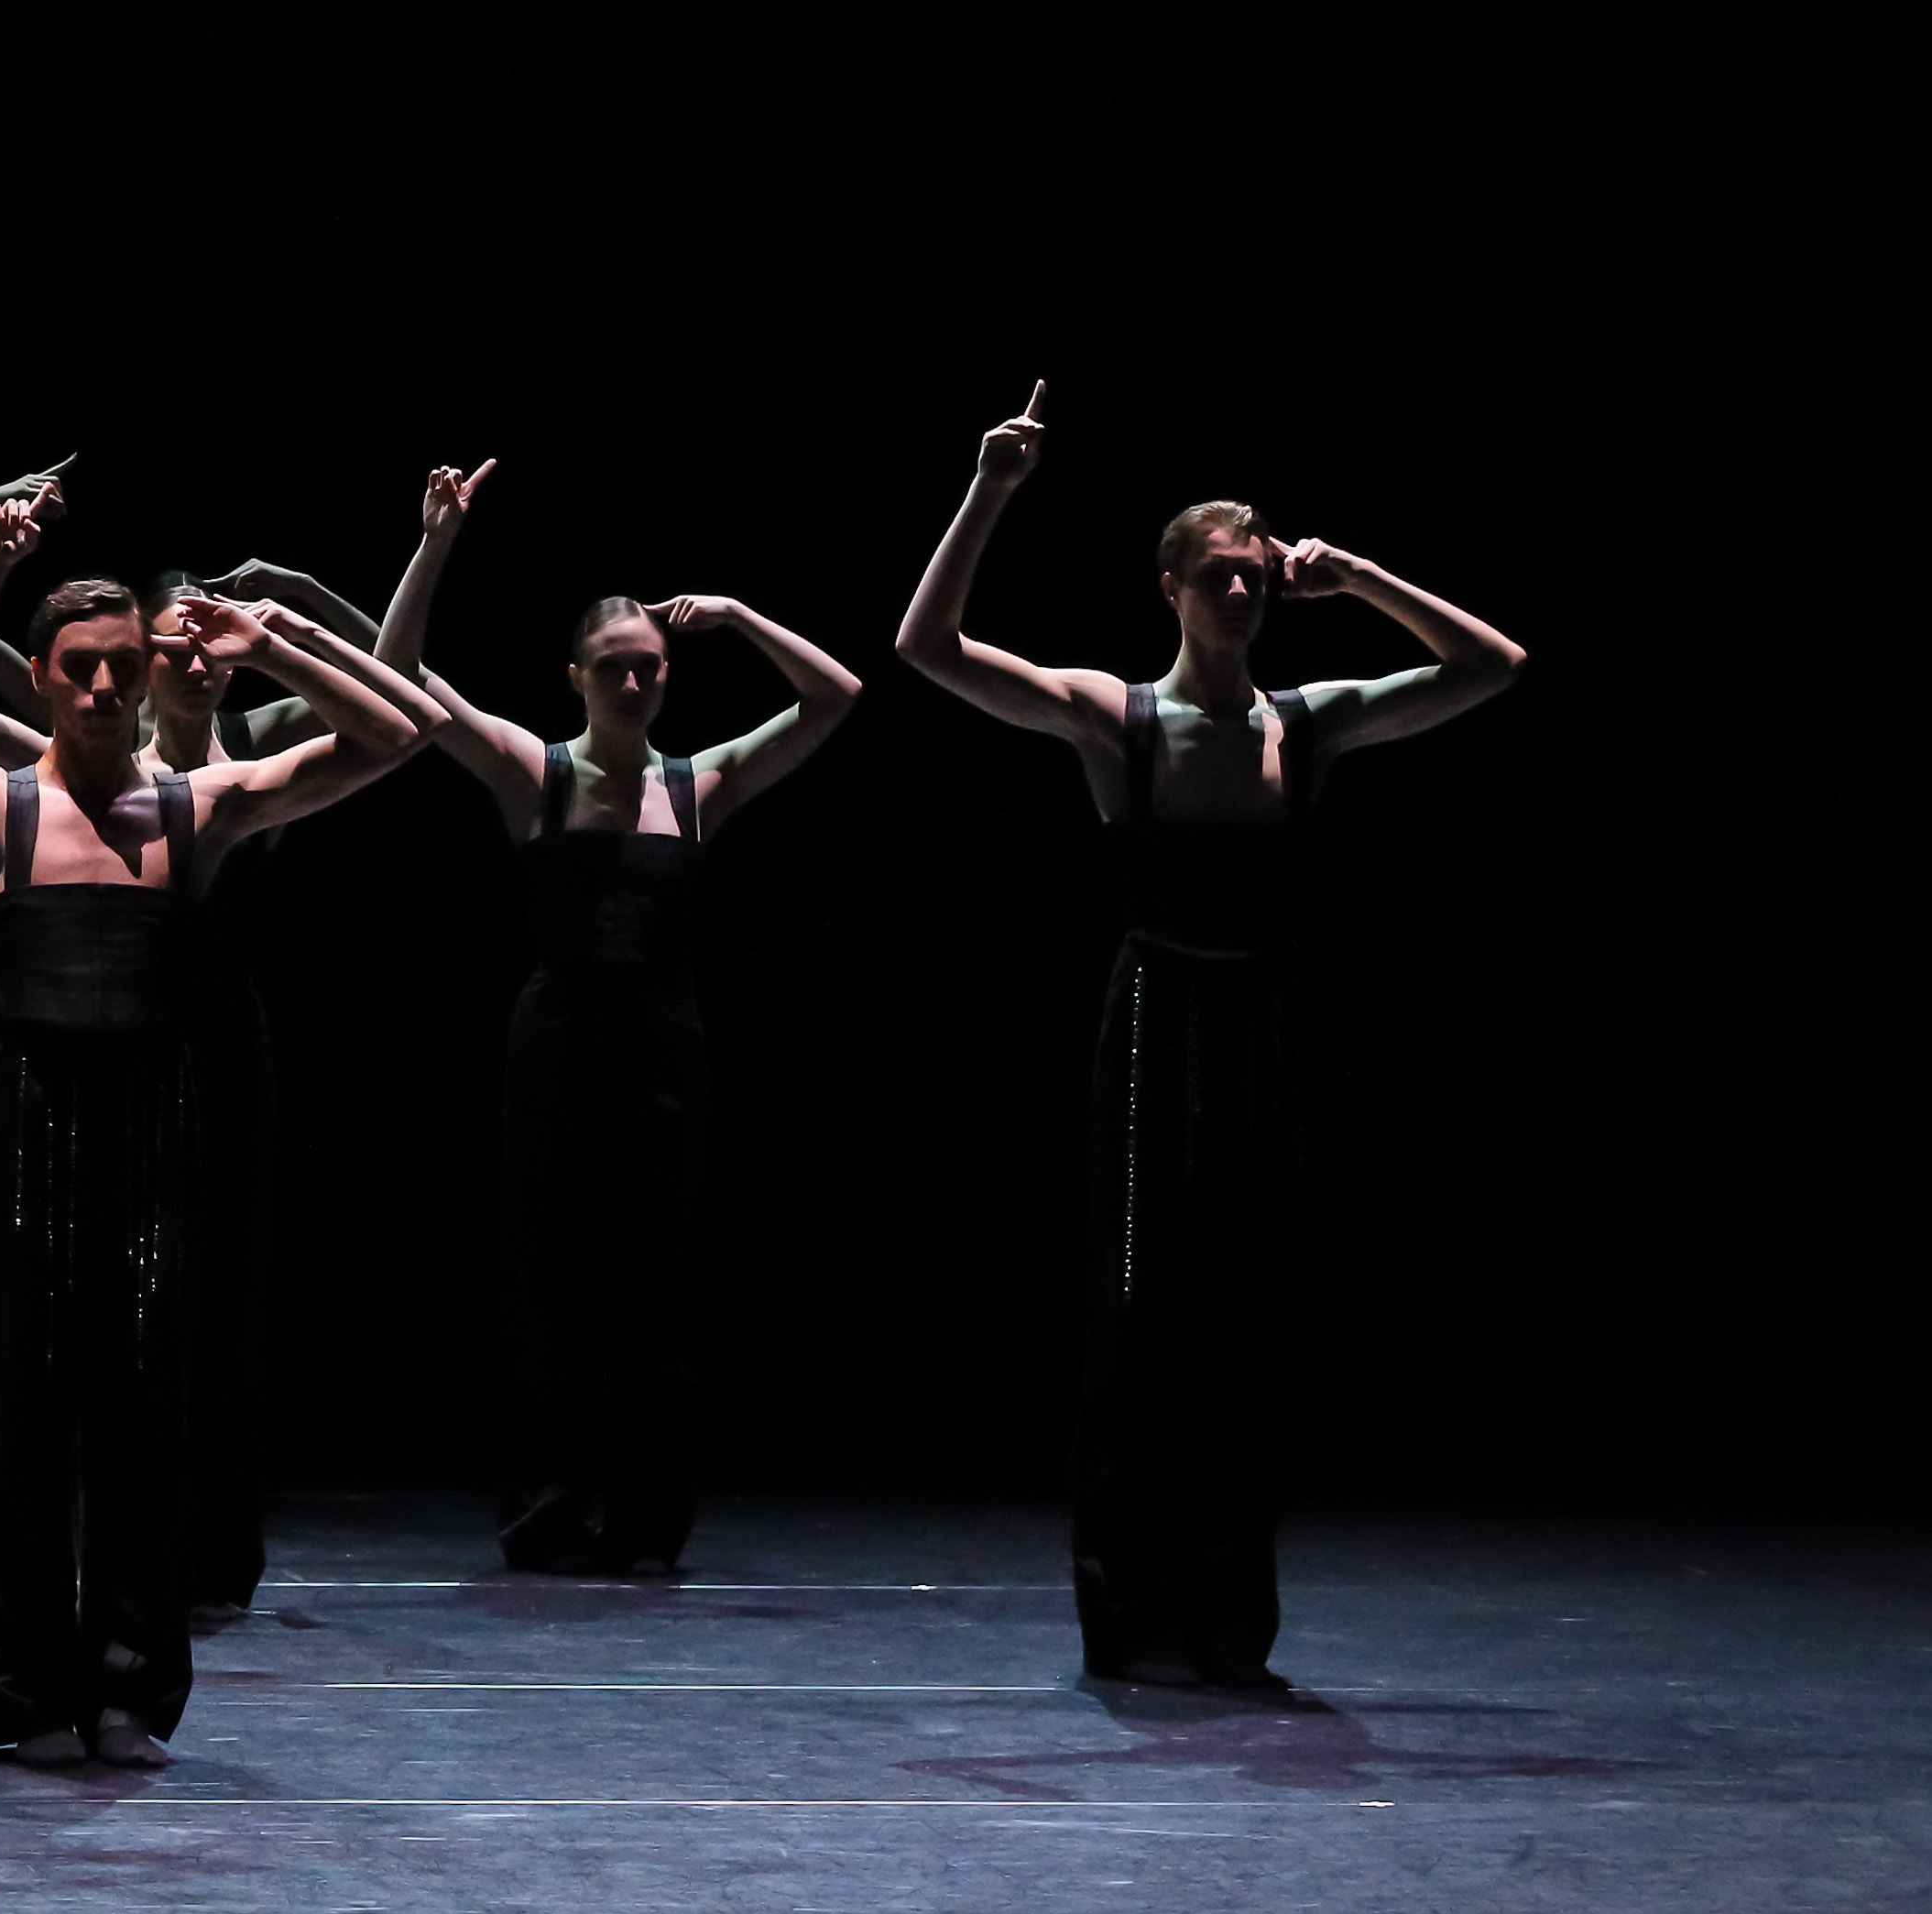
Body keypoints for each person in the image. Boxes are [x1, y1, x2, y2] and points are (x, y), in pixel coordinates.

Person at [0, 490, 435, 1767]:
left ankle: (126, 1690)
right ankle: (23, 1692)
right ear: (40, 675)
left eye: (122, 669)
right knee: (20, 1438)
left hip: (149, 1147)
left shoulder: (195, 809)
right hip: (25, 1148)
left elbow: (396, 734)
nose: (100, 690)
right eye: (78, 669)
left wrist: (265, 642)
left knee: (139, 1432)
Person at [895, 384, 1522, 1692]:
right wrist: (990, 489)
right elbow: (928, 645)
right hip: (1150, 1029)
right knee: (1135, 1316)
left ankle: (1226, 1616)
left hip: (1259, 1031)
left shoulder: (1308, 719)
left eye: (1253, 577)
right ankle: (1127, 1618)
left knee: (1246, 1329)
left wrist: (1353, 576)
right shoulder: (1114, 715)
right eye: (1217, 576)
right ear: (1169, 586)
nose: (1239, 594)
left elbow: (1490, 665)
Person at [0, 467, 473, 1622]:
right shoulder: (85, 743)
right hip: (102, 1035)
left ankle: (204, 1547)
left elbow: (398, 702)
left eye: (189, 643)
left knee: (206, 1303)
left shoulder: (244, 752)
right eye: (155, 644)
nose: (172, 660)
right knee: (82, 1322)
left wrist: (282, 613)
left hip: (219, 1037)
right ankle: (92, 1556)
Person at [411, 541, 867, 1577]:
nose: (630, 680)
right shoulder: (537, 768)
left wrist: (741, 613)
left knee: (651, 1288)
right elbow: (405, 678)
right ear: (573, 676)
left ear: (668, 673)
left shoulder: (698, 781)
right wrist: (438, 545)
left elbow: (836, 694)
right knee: (553, 1280)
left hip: (663, 1048)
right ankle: (551, 1507)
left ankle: (646, 1512)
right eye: (610, 664)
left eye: (648, 664)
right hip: (560, 1045)